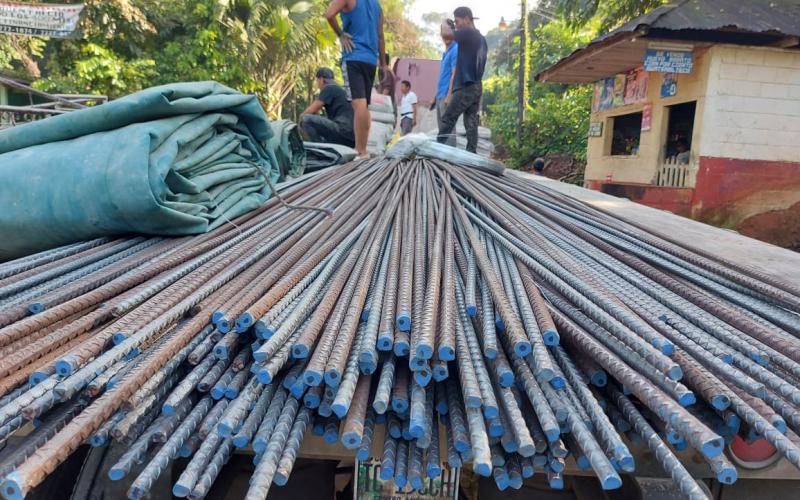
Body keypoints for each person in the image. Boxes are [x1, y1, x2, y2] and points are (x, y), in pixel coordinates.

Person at [325, 0, 387, 159]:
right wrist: (384, 65)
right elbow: (380, 36)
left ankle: (360, 151)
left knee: (358, 104)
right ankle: (363, 149)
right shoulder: (376, 6)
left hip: (353, 55)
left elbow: (329, 14)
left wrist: (340, 34)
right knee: (364, 105)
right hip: (370, 60)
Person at [437, 6, 487, 154]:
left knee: (448, 118)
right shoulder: (481, 38)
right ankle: (471, 154)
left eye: (457, 21)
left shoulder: (467, 32)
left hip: (465, 86)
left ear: (466, 19)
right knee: (470, 123)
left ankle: (435, 150)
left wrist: (446, 24)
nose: (457, 25)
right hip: (477, 86)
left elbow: (447, 34)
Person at [299, 68, 355, 147]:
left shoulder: (329, 88)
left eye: (317, 81)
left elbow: (310, 111)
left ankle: (320, 148)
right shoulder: (340, 89)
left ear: (321, 80)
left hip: (342, 130)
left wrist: (298, 123)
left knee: (306, 119)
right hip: (352, 138)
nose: (318, 85)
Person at [435, 19, 458, 146]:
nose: (444, 36)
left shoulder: (456, 49)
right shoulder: (445, 53)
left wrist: (449, 95)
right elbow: (442, 76)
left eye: (447, 31)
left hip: (447, 95)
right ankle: (443, 158)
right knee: (442, 129)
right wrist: (435, 97)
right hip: (440, 95)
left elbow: (454, 73)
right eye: (442, 32)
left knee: (448, 127)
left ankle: (450, 157)